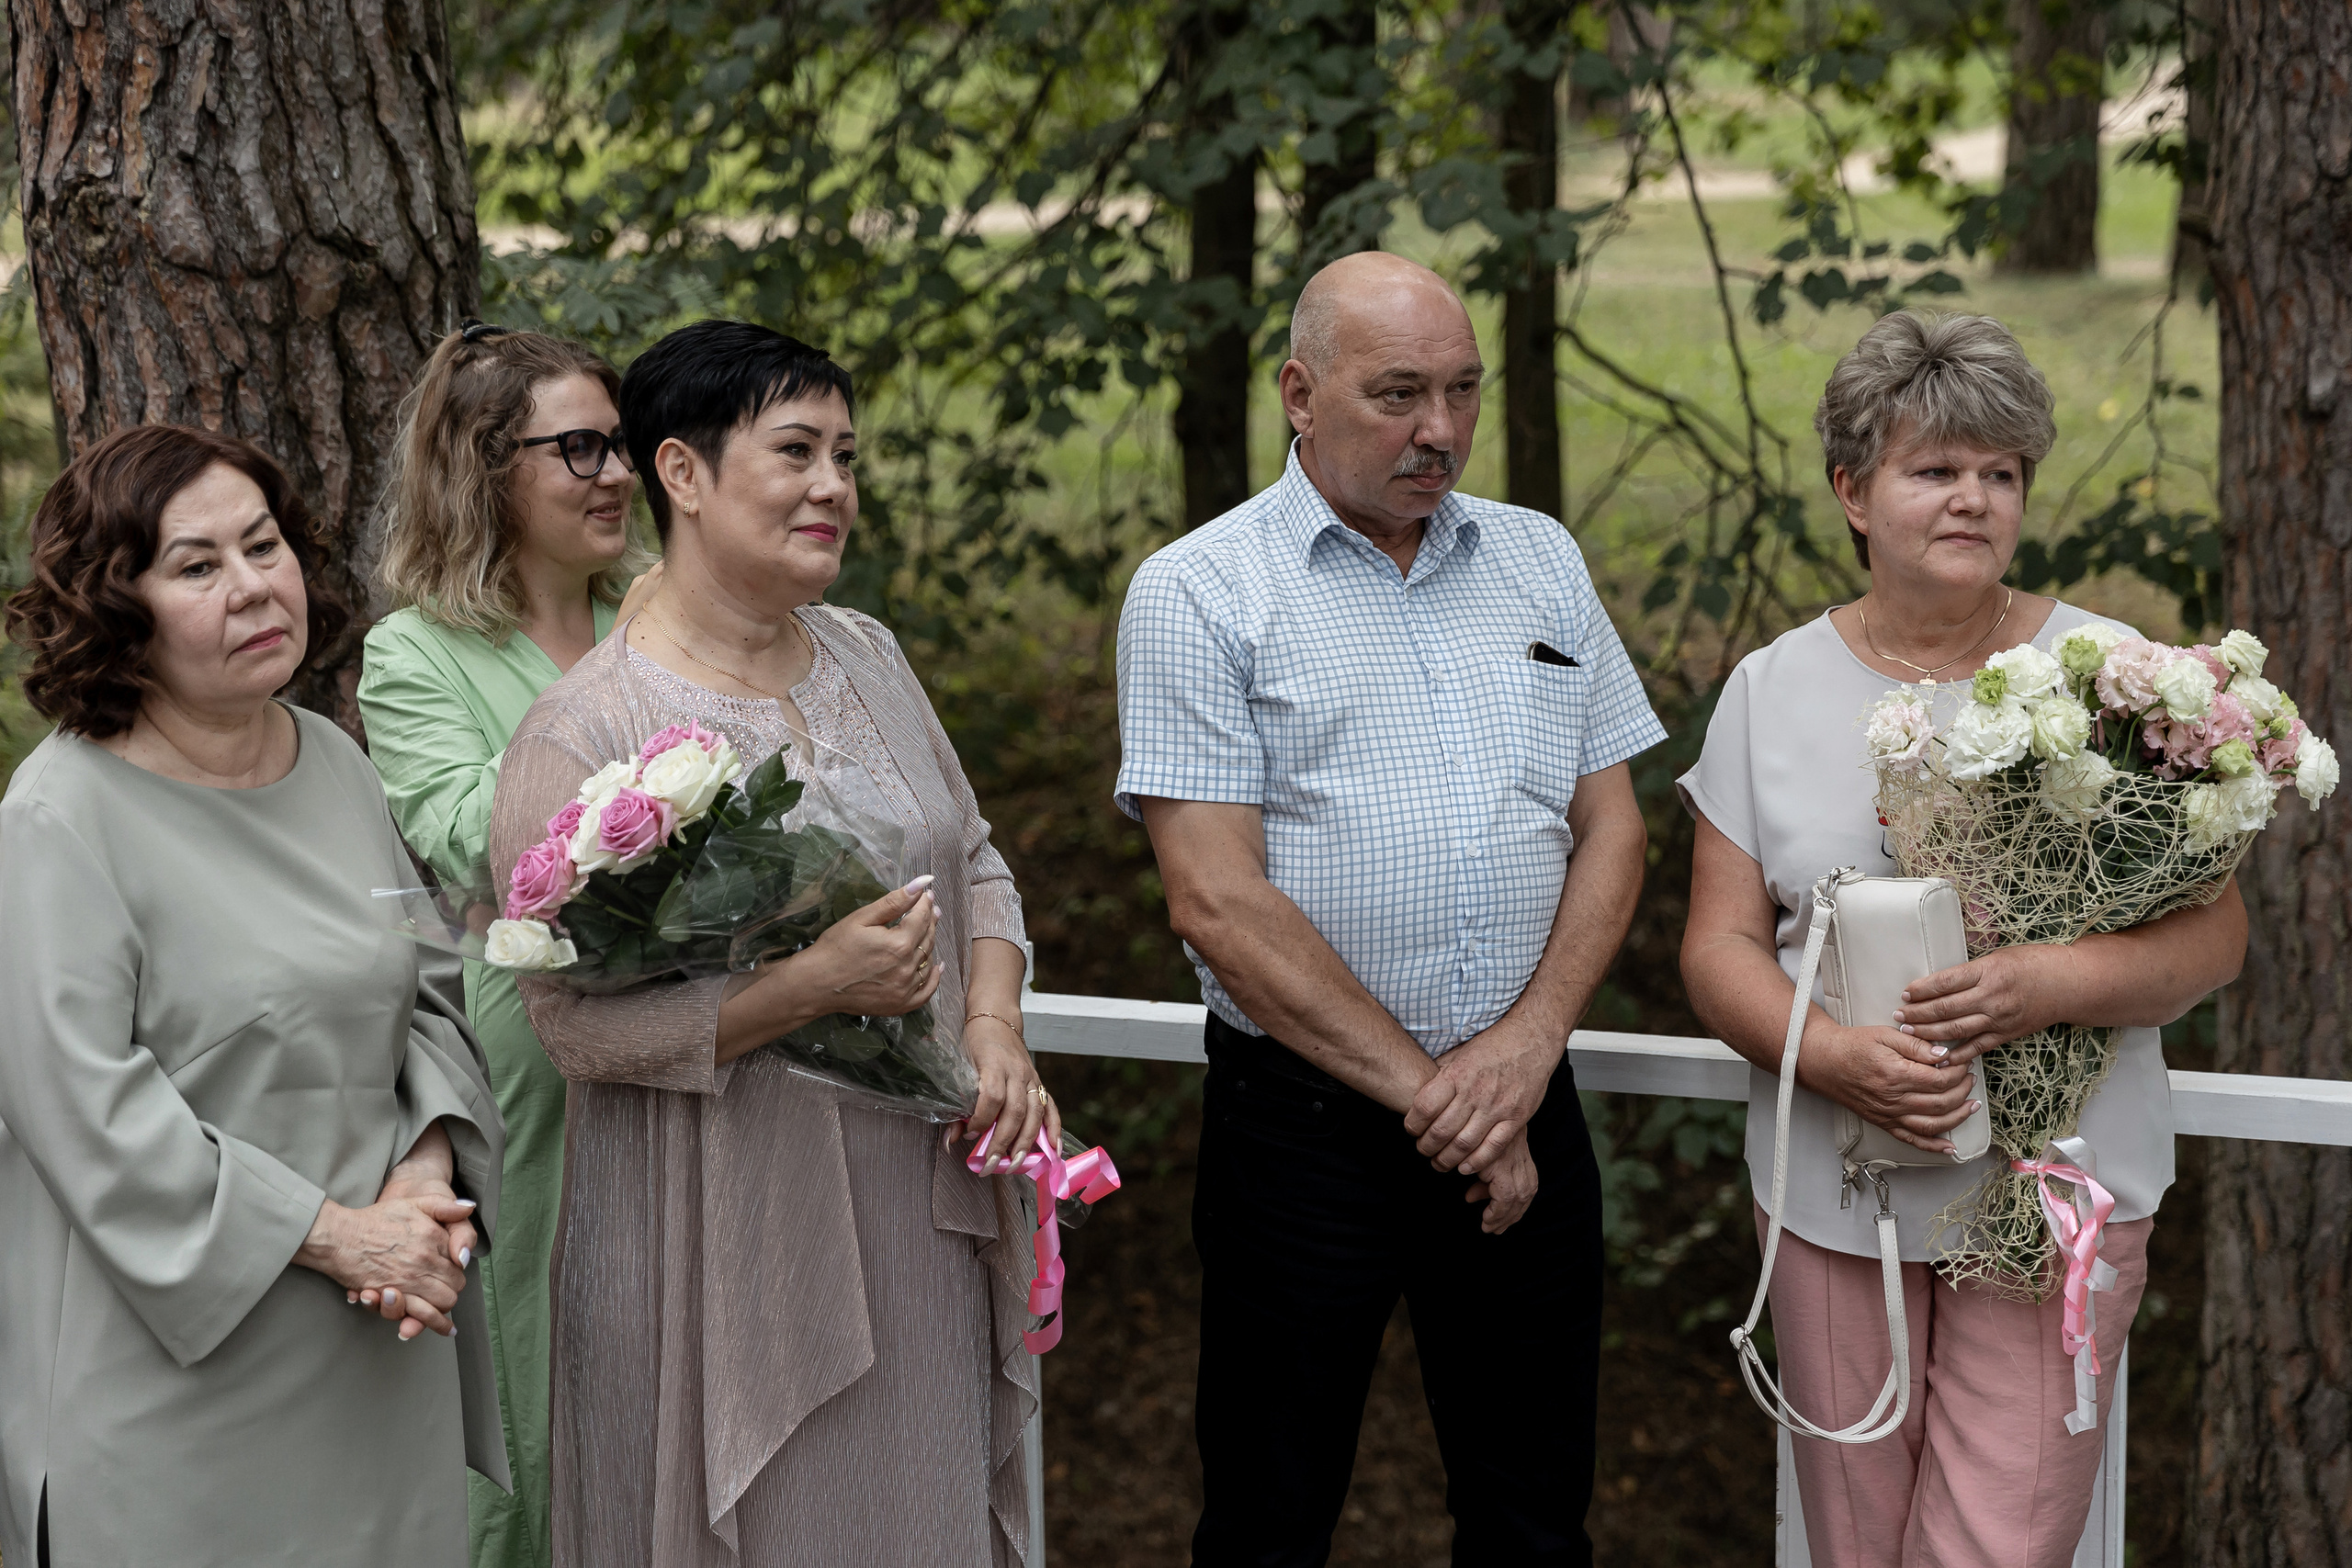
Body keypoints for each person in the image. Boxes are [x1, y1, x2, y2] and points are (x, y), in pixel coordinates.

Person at [1117, 251, 1664, 1565]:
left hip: (1526, 1101)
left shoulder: (1538, 558)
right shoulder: (1198, 589)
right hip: (1305, 1130)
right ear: (1299, 393)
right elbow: (1217, 902)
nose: (1441, 430)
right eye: (1399, 393)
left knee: (1536, 1518)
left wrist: (1525, 1053)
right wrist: (1449, 1105)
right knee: (1269, 1517)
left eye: (1463, 390)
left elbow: (1614, 828)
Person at [1677, 311, 2247, 1568]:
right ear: (1853, 492)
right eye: (1935, 468)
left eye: (2000, 472)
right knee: (1852, 1540)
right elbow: (1716, 949)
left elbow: (2215, 938)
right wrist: (1837, 1059)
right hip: (1837, 1185)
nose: (1973, 498)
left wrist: (2049, 981)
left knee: (1996, 1542)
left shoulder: (2113, 675)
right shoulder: (1770, 689)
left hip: (2054, 1192)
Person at [486, 320, 1055, 1567]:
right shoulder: (587, 734)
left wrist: (992, 1025)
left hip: (920, 1203)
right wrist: (806, 987)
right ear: (681, 472)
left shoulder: (870, 652)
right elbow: (573, 1032)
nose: (833, 485)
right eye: (795, 450)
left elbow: (975, 861)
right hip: (723, 1234)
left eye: (845, 455)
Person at [0, 423, 507, 1567]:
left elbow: (430, 996)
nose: (251, 587)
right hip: (177, 1377)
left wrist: (421, 1181)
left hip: (383, 1344)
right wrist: (339, 1238)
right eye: (197, 566)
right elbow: (86, 1117)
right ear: (116, 608)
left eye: (262, 545)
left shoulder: (336, 761)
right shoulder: (55, 820)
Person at [358, 320, 655, 1568]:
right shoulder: (414, 653)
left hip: (714, 1029)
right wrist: (658, 761)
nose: (618, 472)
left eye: (622, 443)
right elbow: (478, 839)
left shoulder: (656, 612)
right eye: (579, 448)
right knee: (543, 1360)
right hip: (536, 1050)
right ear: (486, 468)